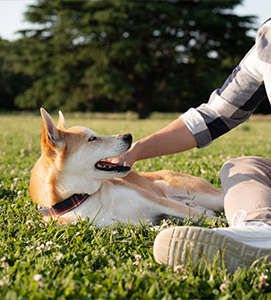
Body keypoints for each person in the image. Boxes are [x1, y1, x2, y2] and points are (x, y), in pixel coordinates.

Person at [109, 18, 271, 270]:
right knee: (242, 167)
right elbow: (214, 116)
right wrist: (137, 151)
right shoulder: (268, 40)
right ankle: (259, 232)